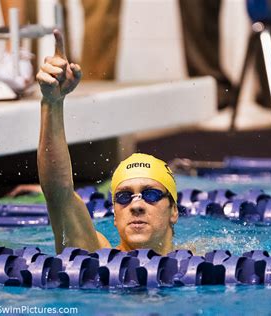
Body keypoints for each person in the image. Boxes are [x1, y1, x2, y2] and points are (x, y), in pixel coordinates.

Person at [36, 30, 179, 255]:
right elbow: (58, 193)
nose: (136, 206)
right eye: (123, 197)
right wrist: (52, 102)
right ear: (114, 213)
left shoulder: (205, 264)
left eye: (151, 194)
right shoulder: (95, 255)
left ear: (174, 211)